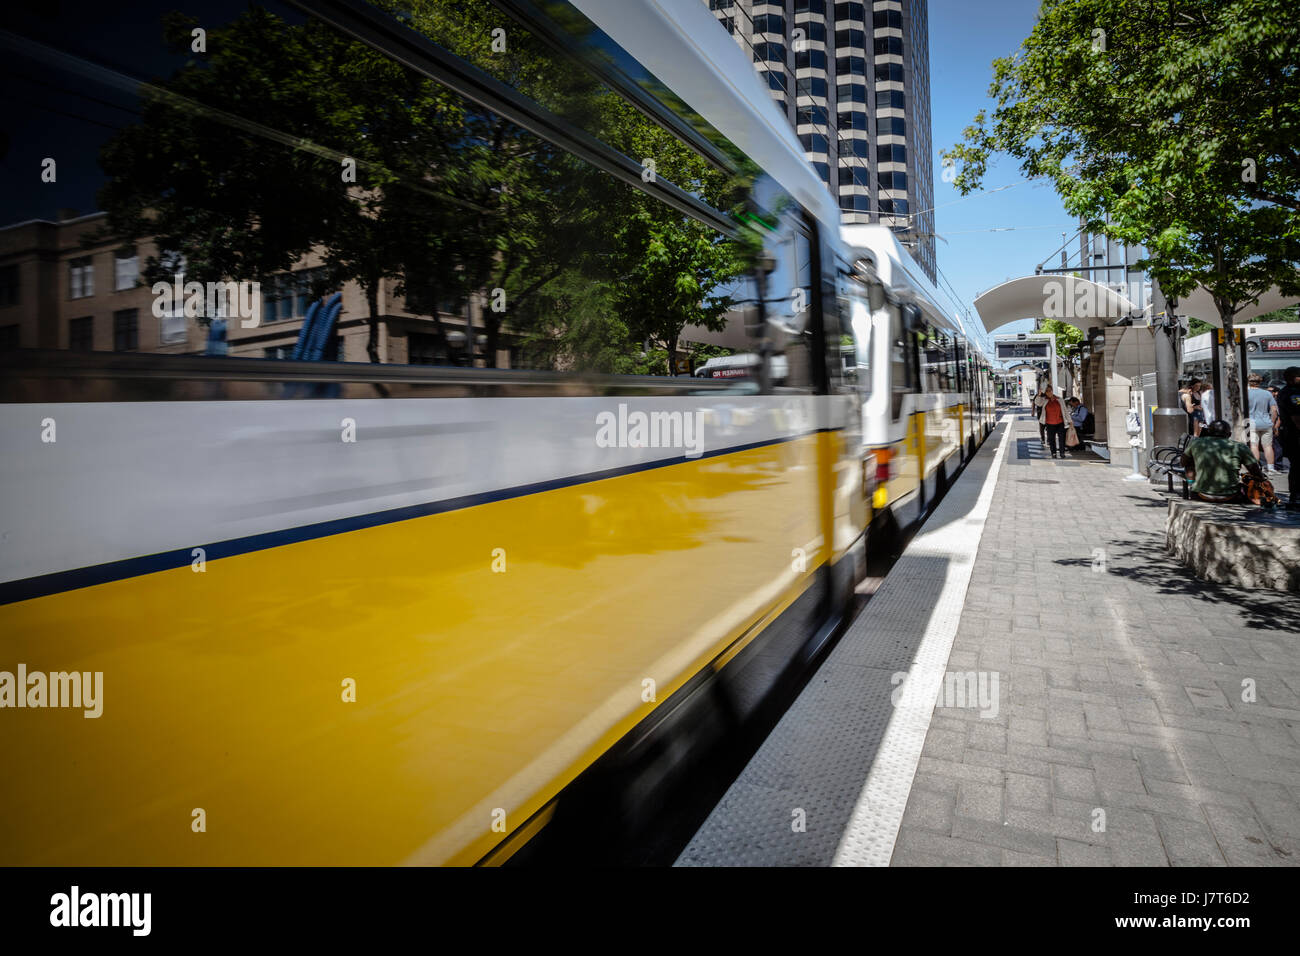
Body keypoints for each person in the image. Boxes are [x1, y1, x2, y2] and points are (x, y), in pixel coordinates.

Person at [1181, 419, 1274, 504]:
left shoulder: (1196, 443)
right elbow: (1255, 471)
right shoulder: (1240, 447)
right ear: (1229, 434)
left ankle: (1194, 485)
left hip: (1201, 494)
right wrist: (1262, 479)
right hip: (1230, 495)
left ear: (1208, 432)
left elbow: (1183, 462)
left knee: (1189, 465)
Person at [1245, 373, 1279, 472]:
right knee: (1267, 446)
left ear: (1248, 382)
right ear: (1260, 382)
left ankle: (1256, 467)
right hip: (1265, 422)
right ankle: (1271, 467)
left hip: (1251, 423)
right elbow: (1274, 410)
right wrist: (1272, 422)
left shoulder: (1246, 393)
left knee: (1254, 445)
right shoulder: (1267, 394)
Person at [1278, 367, 1300, 509]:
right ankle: (1296, 496)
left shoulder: (1286, 392)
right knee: (1297, 466)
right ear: (1293, 378)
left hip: (1290, 435)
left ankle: (1295, 496)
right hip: (1295, 436)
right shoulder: (1292, 394)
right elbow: (1297, 418)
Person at [1037, 385, 1074, 459]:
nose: (1049, 392)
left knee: (1061, 439)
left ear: (1052, 390)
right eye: (1047, 391)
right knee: (1051, 439)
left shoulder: (1059, 399)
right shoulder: (1044, 400)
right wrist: (1039, 394)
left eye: (1050, 390)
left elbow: (1065, 411)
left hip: (1060, 422)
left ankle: (1062, 453)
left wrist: (1070, 421)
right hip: (1050, 423)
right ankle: (1053, 453)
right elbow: (1038, 403)